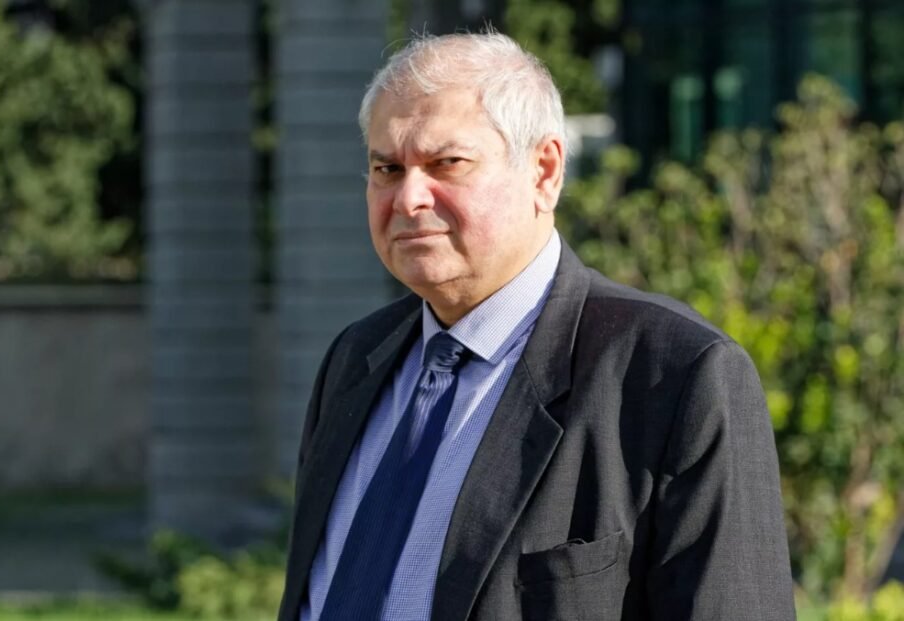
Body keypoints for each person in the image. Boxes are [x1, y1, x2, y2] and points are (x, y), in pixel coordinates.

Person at [277, 31, 795, 621]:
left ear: (544, 171)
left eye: (447, 163)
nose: (409, 197)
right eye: (387, 168)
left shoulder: (672, 375)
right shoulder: (356, 359)